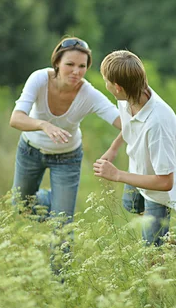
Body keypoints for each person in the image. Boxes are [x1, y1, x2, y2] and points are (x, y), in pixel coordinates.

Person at [10, 37, 121, 222]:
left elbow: (126, 125)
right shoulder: (39, 79)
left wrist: (114, 148)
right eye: (70, 64)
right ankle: (54, 199)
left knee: (62, 223)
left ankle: (61, 205)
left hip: (67, 159)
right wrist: (43, 125)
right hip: (30, 152)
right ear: (57, 63)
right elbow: (16, 119)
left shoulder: (90, 95)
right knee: (22, 207)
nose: (76, 72)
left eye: (82, 66)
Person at [93, 50, 176, 247]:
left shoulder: (158, 123)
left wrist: (117, 175)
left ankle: (164, 247)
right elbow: (131, 123)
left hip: (157, 190)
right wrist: (114, 147)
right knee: (132, 206)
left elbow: (165, 182)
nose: (105, 83)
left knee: (151, 253)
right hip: (138, 170)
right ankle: (170, 242)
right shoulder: (131, 94)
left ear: (117, 87)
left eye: (106, 80)